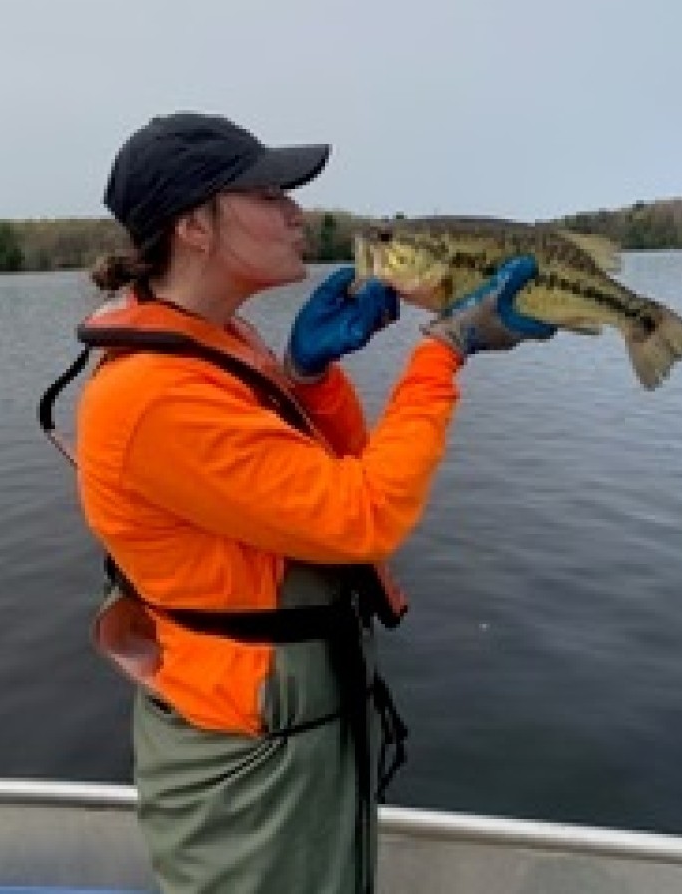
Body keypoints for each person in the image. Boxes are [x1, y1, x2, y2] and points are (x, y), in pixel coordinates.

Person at [72, 111, 556, 894]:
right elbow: (361, 514)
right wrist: (443, 350)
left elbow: (319, 482)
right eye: (269, 194)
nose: (298, 214)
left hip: (287, 729)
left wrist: (303, 375)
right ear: (195, 225)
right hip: (248, 763)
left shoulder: (218, 344)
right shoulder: (154, 397)